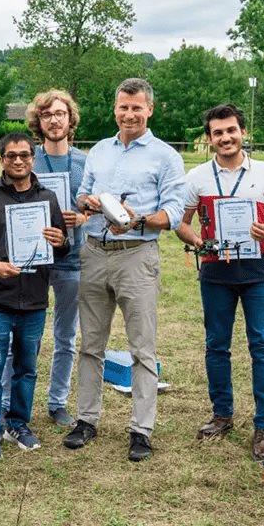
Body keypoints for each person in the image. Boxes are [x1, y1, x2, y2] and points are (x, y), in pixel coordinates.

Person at [63, 78, 186, 462]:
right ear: (114, 109)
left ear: (149, 109)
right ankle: (86, 420)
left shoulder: (166, 156)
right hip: (95, 252)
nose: (129, 114)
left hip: (137, 254)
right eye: (122, 107)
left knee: (141, 348)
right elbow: (82, 193)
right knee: (90, 345)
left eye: (136, 107)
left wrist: (139, 220)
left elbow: (175, 212)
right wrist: (89, 202)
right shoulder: (99, 150)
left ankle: (141, 429)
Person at [175, 104, 264, 462]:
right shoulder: (196, 177)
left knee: (263, 347)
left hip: (259, 272)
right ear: (209, 139)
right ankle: (222, 414)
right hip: (216, 272)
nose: (225, 137)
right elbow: (181, 222)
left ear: (243, 133)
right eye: (217, 133)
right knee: (216, 345)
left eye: (231, 130)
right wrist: (197, 242)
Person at [0, 132, 70, 460]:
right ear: (2, 160)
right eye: (11, 155)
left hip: (35, 300)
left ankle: (18, 423)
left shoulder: (49, 199)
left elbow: (62, 248)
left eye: (24, 155)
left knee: (27, 368)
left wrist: (61, 241)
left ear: (32, 158)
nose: (18, 161)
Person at [0, 89, 87, 427]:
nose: (54, 119)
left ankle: (58, 401)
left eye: (60, 113)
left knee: (66, 337)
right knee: (21, 337)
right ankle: (8, 401)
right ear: (38, 120)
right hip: (31, 261)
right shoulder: (25, 157)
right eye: (47, 114)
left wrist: (81, 219)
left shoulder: (85, 163)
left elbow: (96, 208)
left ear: (70, 119)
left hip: (72, 261)